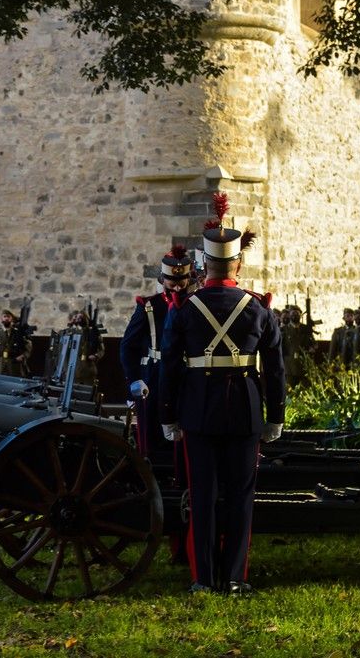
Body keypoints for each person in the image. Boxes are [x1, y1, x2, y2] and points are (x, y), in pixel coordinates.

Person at [158, 194, 285, 595]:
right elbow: (276, 369)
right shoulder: (259, 309)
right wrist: (276, 416)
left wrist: (167, 415)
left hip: (197, 412)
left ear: (204, 267)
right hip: (245, 411)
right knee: (240, 498)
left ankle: (202, 579)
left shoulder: (183, 308)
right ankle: (234, 577)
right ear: (238, 265)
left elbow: (169, 367)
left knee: (203, 495)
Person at [120, 244, 193, 459]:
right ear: (163, 280)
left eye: (182, 283)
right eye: (173, 283)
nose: (178, 288)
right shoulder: (148, 306)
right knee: (153, 432)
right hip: (155, 375)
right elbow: (128, 346)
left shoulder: (194, 305)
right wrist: (133, 379)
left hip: (185, 374)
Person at [0, 309, 31, 377]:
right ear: (1, 319)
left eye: (8, 317)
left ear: (12, 319)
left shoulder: (18, 333)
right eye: (4, 316)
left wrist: (23, 356)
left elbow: (27, 347)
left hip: (14, 365)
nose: (6, 318)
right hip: (0, 366)